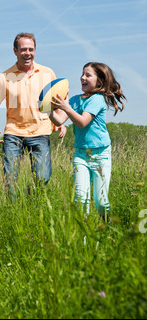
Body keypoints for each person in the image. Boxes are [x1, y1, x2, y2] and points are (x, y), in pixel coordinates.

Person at [0, 32, 66, 198]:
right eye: (23, 49)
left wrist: (59, 121)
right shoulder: (4, 77)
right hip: (13, 132)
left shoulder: (47, 73)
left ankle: (32, 203)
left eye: (31, 49)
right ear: (15, 51)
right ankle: (14, 214)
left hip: (41, 130)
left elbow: (55, 100)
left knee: (43, 177)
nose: (27, 53)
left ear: (35, 50)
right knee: (10, 179)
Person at [49, 62, 126, 219]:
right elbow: (58, 121)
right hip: (81, 155)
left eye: (88, 75)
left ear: (99, 81)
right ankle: (83, 242)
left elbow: (83, 122)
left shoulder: (97, 99)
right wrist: (47, 110)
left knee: (101, 201)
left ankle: (106, 230)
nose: (82, 78)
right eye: (82, 74)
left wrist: (67, 108)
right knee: (80, 200)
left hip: (101, 155)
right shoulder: (75, 100)